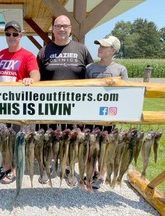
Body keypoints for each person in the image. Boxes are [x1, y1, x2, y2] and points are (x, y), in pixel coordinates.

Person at [36, 15, 93, 185]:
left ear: (71, 29)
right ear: (53, 29)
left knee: (71, 139)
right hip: (49, 105)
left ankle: (68, 168)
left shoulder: (82, 50)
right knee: (48, 138)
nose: (62, 29)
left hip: (75, 105)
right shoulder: (44, 51)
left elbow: (90, 77)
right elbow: (35, 76)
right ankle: (46, 167)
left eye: (65, 26)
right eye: (58, 26)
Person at [0, 20, 40, 184]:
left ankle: (15, 169)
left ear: (21, 35)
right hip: (2, 105)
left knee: (18, 139)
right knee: (5, 138)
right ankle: (6, 165)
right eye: (8, 34)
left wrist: (29, 80)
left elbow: (36, 75)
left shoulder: (28, 55)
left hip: (20, 106)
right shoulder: (0, 54)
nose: (11, 37)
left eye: (15, 34)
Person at [85, 35, 128, 189]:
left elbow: (125, 94)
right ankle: (93, 171)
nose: (100, 48)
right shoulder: (90, 68)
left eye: (104, 47)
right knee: (92, 144)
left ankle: (102, 174)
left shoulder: (120, 69)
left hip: (110, 115)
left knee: (106, 145)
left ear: (113, 50)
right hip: (92, 115)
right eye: (99, 46)